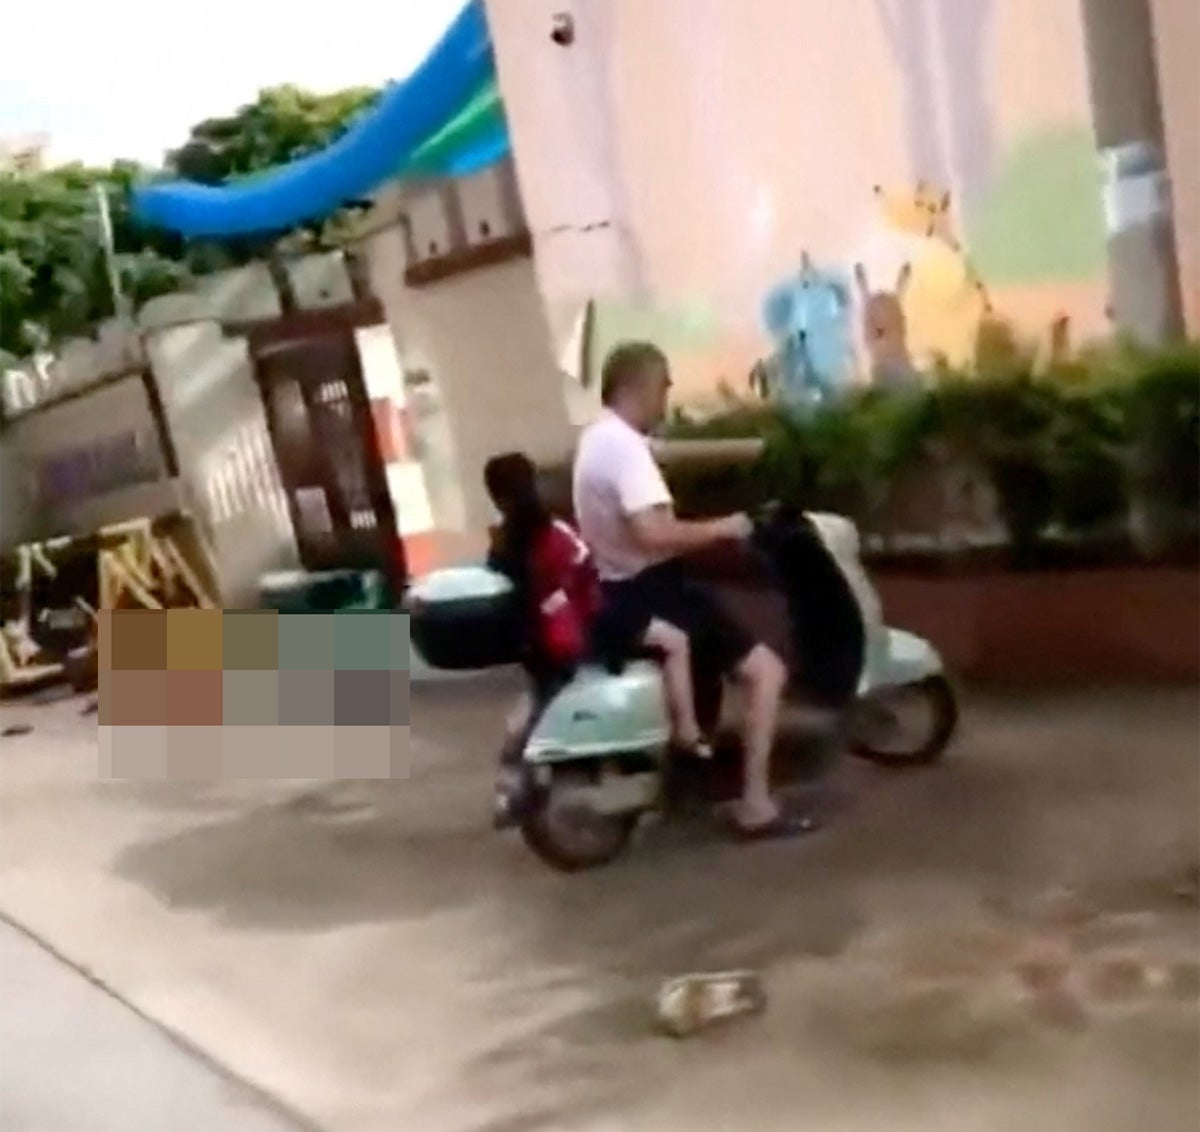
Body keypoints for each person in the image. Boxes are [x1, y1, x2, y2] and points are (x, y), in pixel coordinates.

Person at [572, 341, 812, 840]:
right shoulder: (626, 452)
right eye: (665, 387)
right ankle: (756, 804)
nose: (668, 397)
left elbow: (661, 454)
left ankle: (689, 776)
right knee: (766, 671)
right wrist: (726, 527)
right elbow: (654, 533)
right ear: (640, 387)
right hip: (654, 588)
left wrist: (749, 448)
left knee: (708, 666)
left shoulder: (599, 439)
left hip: (618, 588)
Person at [483, 451, 710, 758]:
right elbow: (587, 573)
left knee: (535, 702)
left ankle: (514, 771)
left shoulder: (502, 543)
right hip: (587, 624)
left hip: (540, 641)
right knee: (675, 641)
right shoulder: (555, 532)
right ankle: (687, 731)